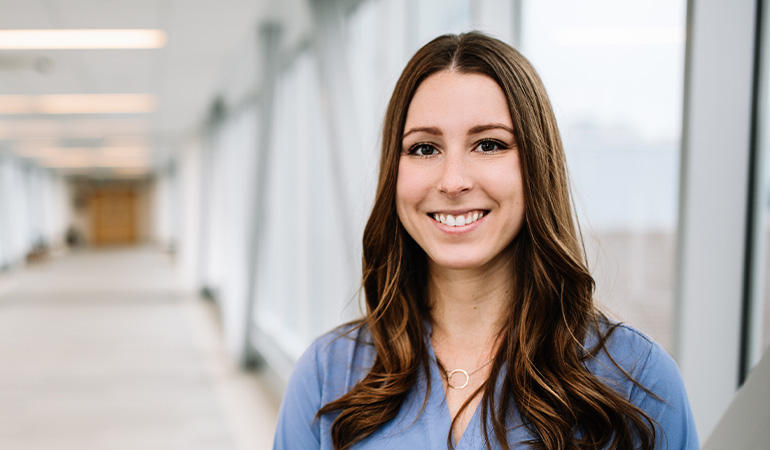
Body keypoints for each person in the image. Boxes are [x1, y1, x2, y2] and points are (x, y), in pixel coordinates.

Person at [273, 31, 698, 450]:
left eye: (489, 144)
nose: (453, 181)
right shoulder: (327, 375)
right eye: (424, 149)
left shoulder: (637, 380)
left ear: (536, 164)